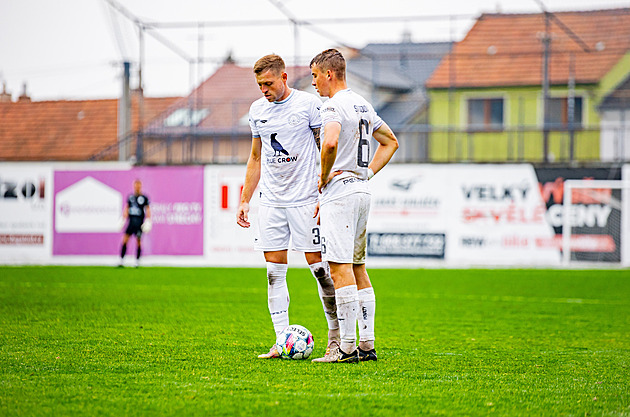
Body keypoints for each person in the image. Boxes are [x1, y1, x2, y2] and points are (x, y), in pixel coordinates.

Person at [236, 54, 339, 361]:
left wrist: (325, 188)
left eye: (268, 83)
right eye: (259, 84)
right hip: (271, 202)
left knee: (320, 269)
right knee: (273, 272)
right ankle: (281, 341)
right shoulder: (257, 110)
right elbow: (256, 157)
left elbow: (326, 147)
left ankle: (335, 339)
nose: (263, 89)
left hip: (306, 199)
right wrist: (245, 198)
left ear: (283, 78)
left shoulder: (309, 105)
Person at [310, 48, 399, 363]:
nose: (314, 84)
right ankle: (367, 344)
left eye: (315, 76)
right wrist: (368, 173)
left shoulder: (332, 105)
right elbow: (391, 142)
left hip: (341, 193)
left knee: (340, 268)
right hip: (361, 190)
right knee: (359, 267)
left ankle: (346, 348)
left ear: (329, 74)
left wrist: (323, 177)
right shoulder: (363, 104)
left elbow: (330, 142)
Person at [119, 179, 151, 268]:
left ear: (140, 186)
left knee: (138, 241)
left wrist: (148, 220)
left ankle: (137, 261)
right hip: (131, 222)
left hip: (139, 223)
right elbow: (127, 208)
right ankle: (121, 260)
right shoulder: (130, 197)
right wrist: (123, 219)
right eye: (136, 185)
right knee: (125, 239)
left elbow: (148, 209)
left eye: (138, 185)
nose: (137, 187)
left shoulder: (144, 198)